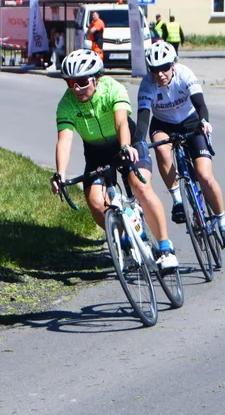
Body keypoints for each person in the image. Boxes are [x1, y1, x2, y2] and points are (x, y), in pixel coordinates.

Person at [50, 49, 178, 271]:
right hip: (97, 153)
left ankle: (165, 249)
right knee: (96, 203)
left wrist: (126, 147)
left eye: (82, 82)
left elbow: (121, 122)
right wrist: (60, 173)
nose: (76, 89)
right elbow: (64, 140)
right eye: (71, 83)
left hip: (128, 143)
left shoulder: (113, 88)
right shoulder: (67, 104)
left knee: (141, 188)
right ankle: (126, 243)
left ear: (96, 78)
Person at [136, 42, 225, 248]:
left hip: (191, 120)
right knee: (160, 147)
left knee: (205, 176)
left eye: (165, 67)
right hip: (163, 123)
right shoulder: (147, 85)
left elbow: (200, 104)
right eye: (155, 70)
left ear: (173, 64)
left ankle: (223, 222)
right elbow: (144, 117)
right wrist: (138, 141)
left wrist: (204, 122)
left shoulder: (184, 74)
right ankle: (177, 200)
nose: (161, 74)